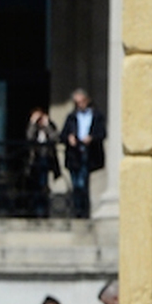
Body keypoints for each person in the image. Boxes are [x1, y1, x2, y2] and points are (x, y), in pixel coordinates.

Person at [58, 87, 105, 219]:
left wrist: (91, 138)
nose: (80, 105)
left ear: (87, 101)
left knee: (82, 183)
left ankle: (84, 211)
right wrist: (69, 138)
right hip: (74, 154)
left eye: (82, 102)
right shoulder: (71, 117)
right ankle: (77, 211)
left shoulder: (96, 115)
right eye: (77, 103)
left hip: (88, 152)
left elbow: (102, 133)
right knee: (76, 184)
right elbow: (62, 135)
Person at [23, 104, 59, 217]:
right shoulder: (33, 127)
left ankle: (42, 211)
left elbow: (55, 138)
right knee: (35, 186)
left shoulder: (50, 126)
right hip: (34, 160)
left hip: (46, 159)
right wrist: (33, 123)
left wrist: (47, 125)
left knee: (43, 184)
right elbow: (29, 137)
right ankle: (35, 210)